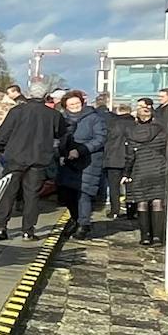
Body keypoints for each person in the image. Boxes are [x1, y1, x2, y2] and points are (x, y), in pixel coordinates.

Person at [0, 89, 66, 240]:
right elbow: (61, 134)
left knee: (9, 193)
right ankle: (28, 230)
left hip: (16, 156)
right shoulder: (53, 115)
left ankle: (1, 226)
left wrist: (2, 148)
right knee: (32, 195)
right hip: (39, 158)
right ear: (46, 95)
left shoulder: (16, 111)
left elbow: (3, 133)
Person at [54, 90, 108, 238]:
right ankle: (75, 218)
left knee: (83, 193)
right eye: (71, 104)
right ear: (65, 105)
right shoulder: (62, 118)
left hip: (88, 160)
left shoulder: (94, 118)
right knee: (67, 193)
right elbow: (57, 137)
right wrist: (59, 152)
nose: (74, 106)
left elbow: (101, 138)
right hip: (67, 160)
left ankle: (84, 224)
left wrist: (81, 150)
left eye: (77, 103)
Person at [124, 99, 168, 245]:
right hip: (159, 168)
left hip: (139, 169)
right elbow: (165, 148)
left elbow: (129, 156)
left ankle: (145, 236)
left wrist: (126, 173)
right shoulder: (161, 131)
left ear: (137, 118)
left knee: (142, 202)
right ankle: (157, 237)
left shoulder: (131, 132)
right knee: (157, 202)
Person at [104, 100, 135, 222]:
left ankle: (114, 210)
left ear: (118, 111)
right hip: (131, 158)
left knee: (114, 187)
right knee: (131, 187)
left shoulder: (111, 123)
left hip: (113, 158)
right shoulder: (135, 124)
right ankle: (131, 211)